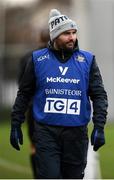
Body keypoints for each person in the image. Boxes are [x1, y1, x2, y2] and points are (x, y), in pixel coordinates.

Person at [10, 9, 108, 179]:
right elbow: (24, 94)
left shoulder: (87, 60)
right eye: (66, 34)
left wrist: (99, 126)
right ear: (54, 36)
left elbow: (99, 95)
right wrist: (15, 123)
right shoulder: (37, 59)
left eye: (74, 32)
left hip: (76, 135)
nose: (72, 37)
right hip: (46, 133)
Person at [17, 28, 49, 179]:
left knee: (35, 146)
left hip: (33, 109)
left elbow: (22, 86)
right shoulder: (57, 57)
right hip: (52, 109)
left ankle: (38, 176)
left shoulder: (26, 57)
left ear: (38, 38)